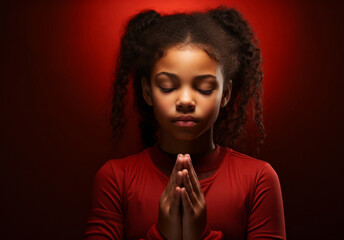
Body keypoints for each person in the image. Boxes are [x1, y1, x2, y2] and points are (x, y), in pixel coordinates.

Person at [84, 6, 286, 240]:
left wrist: (201, 234)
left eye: (204, 88)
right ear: (147, 91)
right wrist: (161, 234)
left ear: (226, 94)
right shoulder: (115, 178)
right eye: (168, 86)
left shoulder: (259, 179)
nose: (186, 101)